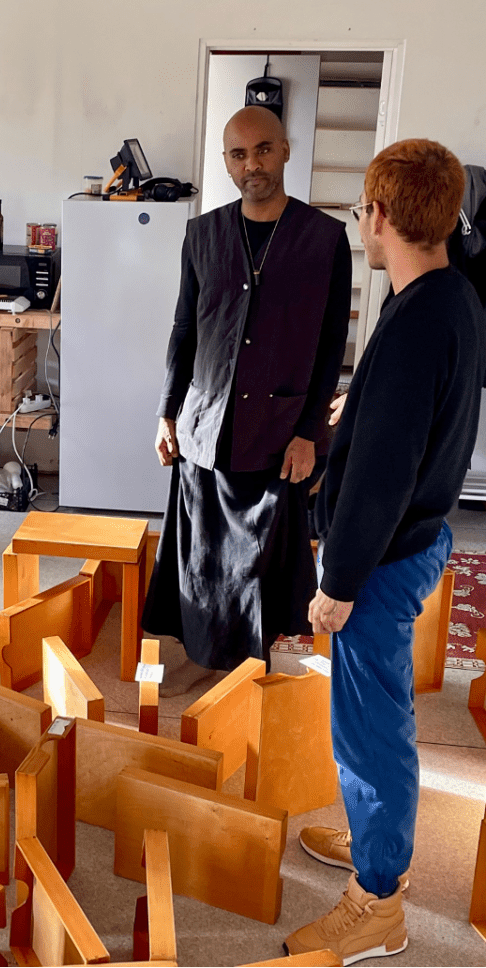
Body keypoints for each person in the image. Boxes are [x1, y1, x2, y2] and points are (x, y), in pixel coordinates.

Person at [284, 139, 485, 964]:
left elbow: (379, 478)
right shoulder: (451, 292)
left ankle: (379, 900)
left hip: (385, 555)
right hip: (418, 538)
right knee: (369, 719)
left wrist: (338, 581)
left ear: (381, 217)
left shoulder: (416, 324)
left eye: (364, 212)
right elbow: (408, 414)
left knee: (373, 731)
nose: (358, 227)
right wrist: (360, 398)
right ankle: (375, 842)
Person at [142, 104, 352, 694]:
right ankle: (203, 658)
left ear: (285, 150)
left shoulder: (324, 240)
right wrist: (166, 411)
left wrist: (311, 430)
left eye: (263, 149)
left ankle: (246, 669)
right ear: (227, 163)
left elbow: (333, 340)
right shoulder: (202, 233)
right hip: (205, 424)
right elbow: (185, 329)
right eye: (238, 154)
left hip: (280, 427)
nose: (252, 163)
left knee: (259, 559)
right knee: (201, 554)